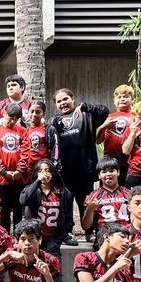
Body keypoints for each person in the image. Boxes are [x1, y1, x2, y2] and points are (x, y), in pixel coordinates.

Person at [51, 88, 109, 242]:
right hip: (64, 173)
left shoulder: (86, 115)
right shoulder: (55, 122)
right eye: (59, 101)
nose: (63, 103)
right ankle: (67, 233)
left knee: (86, 203)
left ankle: (90, 232)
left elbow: (104, 111)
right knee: (66, 204)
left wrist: (85, 106)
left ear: (73, 99)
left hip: (84, 170)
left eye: (65, 99)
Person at [20, 159, 74, 258]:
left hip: (53, 237)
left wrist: (63, 235)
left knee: (53, 262)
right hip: (34, 236)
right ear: (36, 174)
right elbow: (24, 200)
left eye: (47, 170)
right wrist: (38, 181)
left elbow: (68, 215)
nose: (44, 174)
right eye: (40, 171)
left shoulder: (62, 192)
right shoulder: (31, 190)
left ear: (53, 173)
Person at [0, 103, 29, 232]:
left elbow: (26, 152)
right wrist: (3, 172)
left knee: (18, 208)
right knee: (5, 210)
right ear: (4, 114)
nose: (11, 121)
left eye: (15, 119)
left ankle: (18, 235)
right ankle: (5, 236)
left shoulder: (23, 131)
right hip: (3, 179)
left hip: (20, 177)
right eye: (10, 117)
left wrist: (20, 170)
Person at [82, 157, 131, 235]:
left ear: (118, 172)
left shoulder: (129, 194)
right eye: (104, 172)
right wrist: (90, 209)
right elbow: (86, 226)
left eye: (111, 171)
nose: (108, 174)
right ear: (99, 175)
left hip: (126, 234)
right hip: (105, 235)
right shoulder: (93, 196)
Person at [97, 84, 134, 185]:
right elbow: (98, 140)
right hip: (109, 163)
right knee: (106, 191)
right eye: (119, 97)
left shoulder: (136, 117)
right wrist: (103, 126)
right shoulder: (109, 117)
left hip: (130, 163)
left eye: (125, 96)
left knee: (127, 192)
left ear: (132, 99)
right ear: (114, 101)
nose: (122, 99)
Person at [23, 100, 59, 179]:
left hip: (44, 170)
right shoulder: (25, 130)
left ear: (44, 114)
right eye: (32, 111)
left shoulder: (49, 129)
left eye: (38, 112)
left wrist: (53, 169)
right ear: (28, 112)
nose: (34, 114)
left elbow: (55, 150)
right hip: (29, 171)